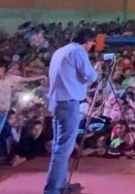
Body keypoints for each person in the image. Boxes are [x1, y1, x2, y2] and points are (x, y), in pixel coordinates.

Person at [44, 28, 101, 194]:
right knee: (63, 148)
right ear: (87, 41)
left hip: (57, 102)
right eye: (92, 42)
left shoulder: (61, 51)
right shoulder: (78, 51)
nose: (92, 46)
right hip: (68, 103)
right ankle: (52, 189)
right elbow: (91, 76)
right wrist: (96, 68)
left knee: (59, 145)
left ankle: (60, 184)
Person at [0, 59, 46, 174]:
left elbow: (25, 79)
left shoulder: (10, 79)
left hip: (3, 112)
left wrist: (41, 76)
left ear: (2, 70)